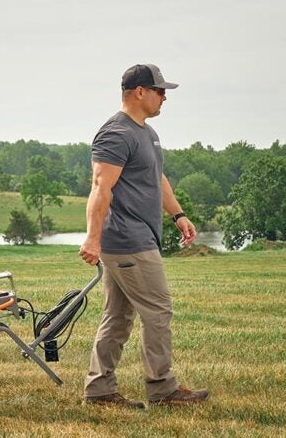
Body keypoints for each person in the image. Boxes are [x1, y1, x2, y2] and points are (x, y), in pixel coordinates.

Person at [79, 63, 209, 409]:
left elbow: (157, 178)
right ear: (140, 92)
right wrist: (93, 238)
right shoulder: (116, 133)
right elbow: (100, 186)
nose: (164, 97)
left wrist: (178, 214)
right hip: (127, 240)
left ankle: (99, 390)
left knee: (118, 317)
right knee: (158, 311)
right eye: (160, 90)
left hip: (137, 237)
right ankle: (162, 389)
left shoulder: (146, 133)